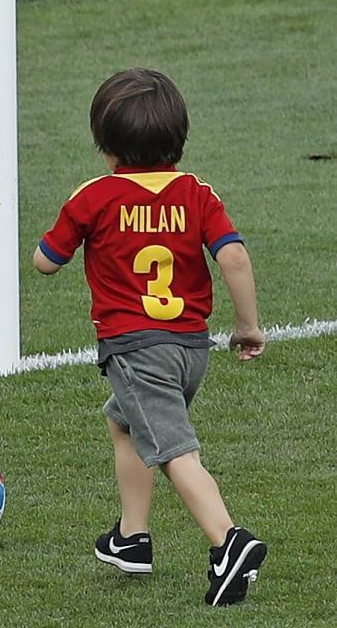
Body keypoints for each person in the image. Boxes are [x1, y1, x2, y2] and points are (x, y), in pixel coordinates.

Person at [31, 67, 267, 606]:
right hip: (191, 349)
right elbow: (232, 255)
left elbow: (46, 263)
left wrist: (48, 246)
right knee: (122, 421)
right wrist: (248, 325)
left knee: (175, 451)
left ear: (105, 145)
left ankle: (228, 543)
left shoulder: (95, 197)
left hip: (137, 351)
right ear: (177, 141)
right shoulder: (196, 192)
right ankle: (131, 538)